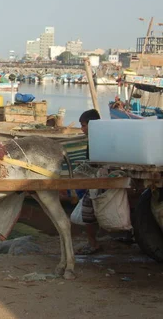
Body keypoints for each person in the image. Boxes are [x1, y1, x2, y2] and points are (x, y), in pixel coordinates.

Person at [76, 108, 102, 255]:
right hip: (97, 176)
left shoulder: (95, 140)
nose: (82, 129)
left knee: (87, 211)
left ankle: (93, 244)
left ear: (92, 125)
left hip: (97, 178)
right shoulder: (96, 138)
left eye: (84, 125)